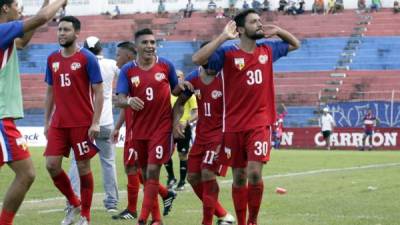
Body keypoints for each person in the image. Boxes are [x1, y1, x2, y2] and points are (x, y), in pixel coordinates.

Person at [192, 9, 300, 225]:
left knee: (253, 173)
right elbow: (198, 58)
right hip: (233, 127)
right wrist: (223, 36)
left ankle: (253, 221)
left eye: (260, 20)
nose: (260, 24)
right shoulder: (227, 54)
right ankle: (242, 222)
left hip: (260, 123)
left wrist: (278, 30)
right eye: (254, 21)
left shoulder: (268, 49)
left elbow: (295, 44)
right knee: (239, 177)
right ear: (240, 29)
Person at [0, 0, 67, 225]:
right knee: (26, 173)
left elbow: (23, 41)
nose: (20, 9)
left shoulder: (6, 36)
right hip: (0, 117)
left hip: (3, 116)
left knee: (26, 173)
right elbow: (39, 19)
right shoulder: (1, 30)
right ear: (4, 8)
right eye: (17, 4)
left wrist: (46, 3)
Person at [116, 28, 189, 225]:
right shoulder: (128, 70)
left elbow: (175, 91)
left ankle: (142, 219)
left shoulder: (166, 65)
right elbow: (118, 100)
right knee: (146, 175)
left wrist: (182, 89)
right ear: (137, 46)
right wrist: (129, 101)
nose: (150, 46)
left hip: (161, 128)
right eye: (145, 42)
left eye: (153, 42)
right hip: (139, 130)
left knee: (153, 170)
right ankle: (157, 220)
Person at [44, 16, 104, 225]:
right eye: (59, 29)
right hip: (59, 123)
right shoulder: (52, 59)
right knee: (51, 165)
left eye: (66, 30)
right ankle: (74, 202)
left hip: (82, 122)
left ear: (77, 33)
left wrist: (95, 122)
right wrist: (46, 122)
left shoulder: (87, 58)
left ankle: (85, 215)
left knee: (83, 168)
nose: (61, 33)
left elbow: (99, 91)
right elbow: (50, 92)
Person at [172, 43, 236, 225]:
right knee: (192, 178)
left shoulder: (226, 78)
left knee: (207, 173)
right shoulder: (194, 77)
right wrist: (176, 121)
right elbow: (178, 100)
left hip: (219, 136)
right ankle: (223, 215)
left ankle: (206, 221)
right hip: (200, 136)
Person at [66, 36, 119, 214]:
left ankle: (73, 200)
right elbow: (125, 77)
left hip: (84, 122)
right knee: (108, 162)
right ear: (101, 49)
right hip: (105, 122)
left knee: (76, 161)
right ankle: (112, 202)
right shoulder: (111, 64)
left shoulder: (81, 63)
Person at [165, 70, 198, 190]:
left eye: (180, 77)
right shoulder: (169, 93)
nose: (177, 79)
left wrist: (187, 121)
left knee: (182, 154)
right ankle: (171, 177)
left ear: (183, 78)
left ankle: (182, 182)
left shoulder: (189, 94)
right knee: (165, 153)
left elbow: (196, 112)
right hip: (169, 128)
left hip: (184, 128)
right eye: (175, 77)